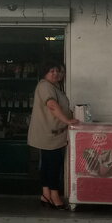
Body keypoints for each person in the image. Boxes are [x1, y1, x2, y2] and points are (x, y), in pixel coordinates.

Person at [26, 62, 78, 209]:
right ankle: (54, 196)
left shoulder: (55, 86)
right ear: (45, 72)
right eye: (52, 71)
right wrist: (67, 120)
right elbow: (52, 105)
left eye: (59, 71)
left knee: (48, 163)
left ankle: (46, 194)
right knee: (54, 164)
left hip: (53, 134)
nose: (56, 74)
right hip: (49, 134)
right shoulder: (45, 86)